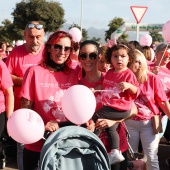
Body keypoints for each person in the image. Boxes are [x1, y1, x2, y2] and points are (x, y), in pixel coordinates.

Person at [20, 31, 94, 170]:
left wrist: (87, 120)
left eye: (67, 48)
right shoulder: (33, 72)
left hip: (68, 144)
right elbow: (25, 114)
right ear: (48, 48)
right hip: (38, 145)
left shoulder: (74, 73)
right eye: (57, 47)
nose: (62, 52)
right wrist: (42, 126)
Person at [78, 40, 137, 169]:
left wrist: (112, 121)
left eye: (92, 55)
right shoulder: (78, 85)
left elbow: (134, 109)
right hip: (93, 149)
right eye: (83, 55)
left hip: (116, 145)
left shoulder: (120, 75)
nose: (88, 59)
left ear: (99, 57)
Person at [5, 21, 45, 170]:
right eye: (31, 37)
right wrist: (27, 81)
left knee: (44, 148)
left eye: (38, 37)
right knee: (22, 148)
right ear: (24, 35)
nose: (35, 41)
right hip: (21, 110)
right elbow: (7, 77)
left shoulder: (48, 52)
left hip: (43, 110)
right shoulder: (16, 52)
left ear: (44, 36)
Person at [92, 42, 139, 165]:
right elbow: (104, 87)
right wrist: (94, 90)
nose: (119, 59)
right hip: (112, 106)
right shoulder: (110, 73)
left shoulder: (128, 74)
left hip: (121, 108)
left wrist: (129, 86)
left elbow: (137, 92)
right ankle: (115, 152)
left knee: (96, 116)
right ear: (110, 59)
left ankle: (92, 142)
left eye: (123, 56)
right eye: (115, 56)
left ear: (129, 59)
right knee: (110, 128)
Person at [126, 49, 170, 170]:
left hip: (149, 124)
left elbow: (162, 101)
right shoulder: (124, 78)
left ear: (140, 63)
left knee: (151, 158)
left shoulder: (152, 79)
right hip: (128, 124)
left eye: (131, 62)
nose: (128, 65)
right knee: (130, 158)